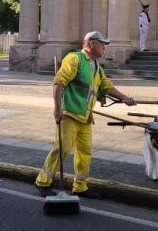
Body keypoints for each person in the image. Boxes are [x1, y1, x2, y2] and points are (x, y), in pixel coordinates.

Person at [35, 31, 136, 199]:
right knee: (62, 149)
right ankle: (43, 182)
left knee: (85, 152)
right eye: (102, 44)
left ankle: (80, 187)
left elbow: (107, 87)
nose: (105, 47)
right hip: (69, 114)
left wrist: (125, 98)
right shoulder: (75, 59)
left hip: (85, 117)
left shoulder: (97, 67)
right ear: (91, 44)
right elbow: (59, 82)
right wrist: (57, 108)